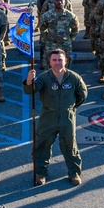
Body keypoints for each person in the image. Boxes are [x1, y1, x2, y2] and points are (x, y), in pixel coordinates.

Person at [24, 49, 89, 186]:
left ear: (65, 61)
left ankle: (74, 173)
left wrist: (71, 108)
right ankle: (41, 173)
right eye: (54, 60)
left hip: (67, 117)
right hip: (48, 116)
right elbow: (31, 91)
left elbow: (82, 95)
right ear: (50, 62)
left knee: (69, 145)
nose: (57, 63)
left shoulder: (74, 78)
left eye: (60, 60)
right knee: (42, 145)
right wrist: (29, 80)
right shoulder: (43, 77)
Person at [42, 0, 79, 71]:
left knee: (66, 67)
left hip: (65, 45)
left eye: (61, 0)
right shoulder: (47, 15)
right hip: (51, 44)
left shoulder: (70, 16)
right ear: (53, 2)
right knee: (48, 66)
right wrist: (48, 39)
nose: (59, 2)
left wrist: (68, 39)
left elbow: (75, 30)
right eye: (57, 0)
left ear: (65, 2)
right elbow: (42, 29)